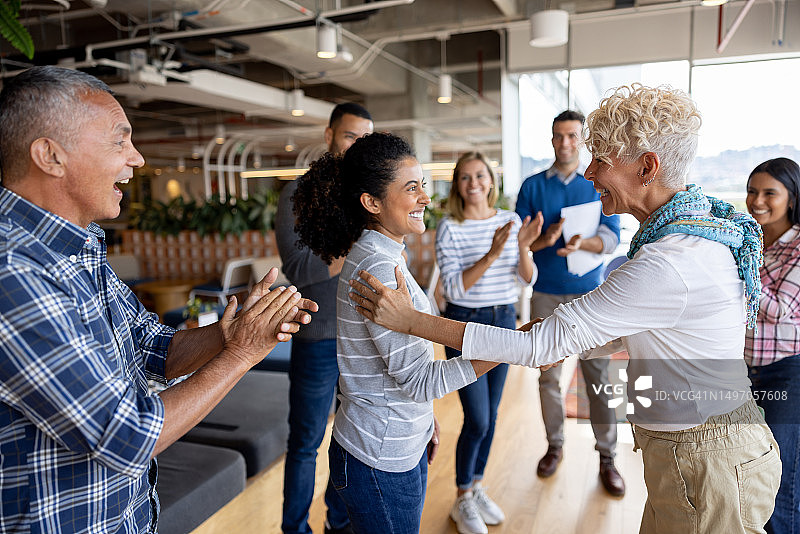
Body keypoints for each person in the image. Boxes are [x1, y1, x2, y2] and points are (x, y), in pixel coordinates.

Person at [349, 85, 782, 534]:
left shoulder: (669, 260)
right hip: (694, 454)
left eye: (602, 161)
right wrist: (546, 335)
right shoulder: (689, 237)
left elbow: (543, 344)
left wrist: (413, 321)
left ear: (648, 167)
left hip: (706, 462)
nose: (590, 172)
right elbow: (646, 330)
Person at [0, 66, 317, 533]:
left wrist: (228, 331)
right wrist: (242, 354)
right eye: (119, 141)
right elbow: (124, 436)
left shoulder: (81, 243)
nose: (138, 159)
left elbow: (153, 347)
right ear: (50, 155)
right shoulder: (12, 269)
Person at [292, 132, 505, 534]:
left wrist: (423, 421)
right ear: (372, 203)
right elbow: (423, 380)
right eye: (412, 188)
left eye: (423, 185)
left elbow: (401, 365)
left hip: (390, 442)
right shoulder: (378, 268)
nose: (426, 197)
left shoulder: (385, 255)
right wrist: (512, 348)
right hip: (379, 459)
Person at [275, 102, 373, 534]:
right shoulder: (296, 195)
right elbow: (300, 269)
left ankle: (339, 524)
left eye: (365, 139)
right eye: (351, 136)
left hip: (362, 339)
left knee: (348, 443)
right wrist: (356, 243)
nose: (357, 146)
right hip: (317, 339)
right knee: (305, 444)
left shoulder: (367, 196)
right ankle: (294, 529)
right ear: (330, 135)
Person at [515, 110, 625, 496]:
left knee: (597, 379)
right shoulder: (531, 187)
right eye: (558, 136)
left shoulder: (597, 184)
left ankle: (607, 457)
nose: (565, 143)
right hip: (545, 294)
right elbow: (519, 243)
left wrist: (584, 243)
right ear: (551, 140)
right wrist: (545, 241)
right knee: (548, 376)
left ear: (582, 140)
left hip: (592, 296)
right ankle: (555, 446)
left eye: (572, 136)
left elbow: (612, 237)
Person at [436, 151, 541, 534]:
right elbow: (453, 288)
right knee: (477, 417)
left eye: (480, 175)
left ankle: (476, 485)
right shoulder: (450, 227)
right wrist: (494, 252)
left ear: (490, 181)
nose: (474, 182)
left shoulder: (510, 221)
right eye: (465, 177)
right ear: (457, 186)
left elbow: (526, 279)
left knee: (492, 415)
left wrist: (524, 247)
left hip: (503, 319)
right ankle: (462, 497)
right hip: (465, 324)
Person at [744, 157, 800, 534]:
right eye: (752, 191)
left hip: (788, 372)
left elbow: (781, 309)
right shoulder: (750, 239)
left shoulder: (797, 248)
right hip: (747, 371)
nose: (757, 200)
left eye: (769, 193)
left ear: (791, 199)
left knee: (783, 475)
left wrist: (739, 275)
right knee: (752, 468)